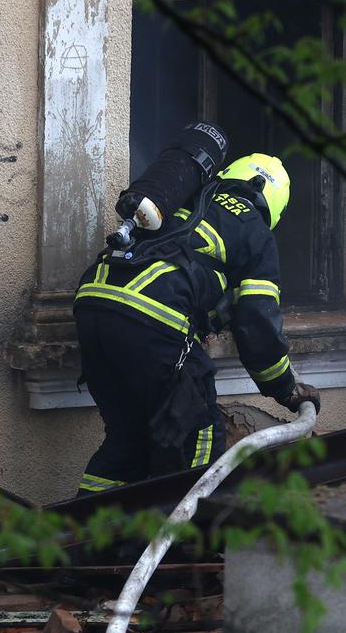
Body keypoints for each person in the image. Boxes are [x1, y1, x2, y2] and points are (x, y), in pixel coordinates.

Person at [74, 125, 322, 494]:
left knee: (127, 439)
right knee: (200, 433)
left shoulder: (182, 197)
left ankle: (84, 528)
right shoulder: (255, 230)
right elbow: (257, 323)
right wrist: (286, 389)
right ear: (274, 207)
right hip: (152, 319)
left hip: (93, 304)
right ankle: (186, 530)